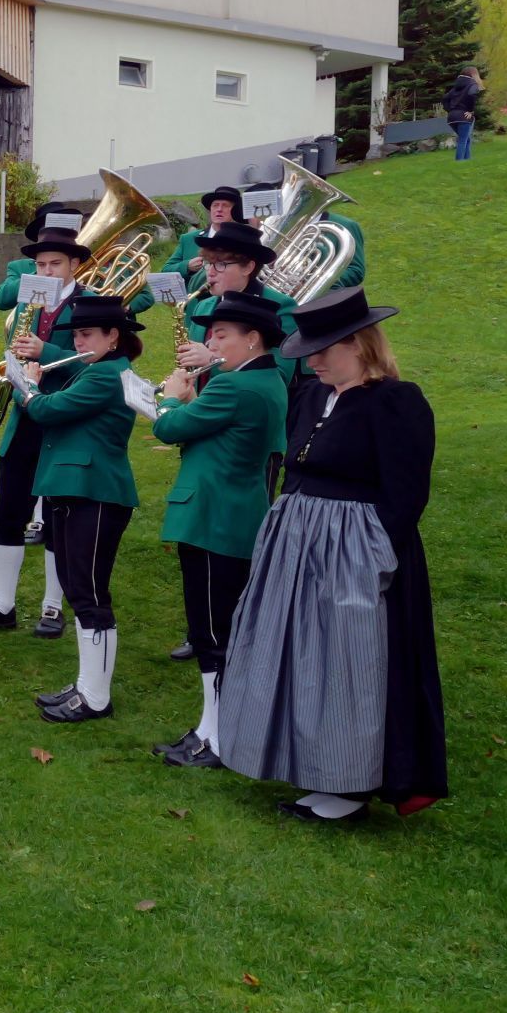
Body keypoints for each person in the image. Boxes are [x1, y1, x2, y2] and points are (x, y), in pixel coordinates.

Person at [220, 289, 445, 822]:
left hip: (356, 548)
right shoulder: (311, 396)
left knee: (349, 662)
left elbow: (406, 493)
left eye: (324, 350)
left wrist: (373, 557)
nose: (313, 360)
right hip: (296, 542)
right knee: (297, 655)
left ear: (360, 344)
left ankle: (350, 785)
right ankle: (310, 766)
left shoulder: (396, 401)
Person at [147, 293, 289, 769]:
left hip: (214, 518)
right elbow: (211, 430)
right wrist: (191, 403)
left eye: (221, 334)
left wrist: (168, 398)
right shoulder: (266, 381)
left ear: (252, 339)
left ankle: (220, 736)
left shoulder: (233, 387)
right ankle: (209, 728)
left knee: (212, 634)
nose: (211, 341)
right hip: (233, 514)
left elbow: (169, 430)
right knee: (217, 630)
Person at [0, 221, 91, 640]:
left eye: (56, 264)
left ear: (74, 265)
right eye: (40, 264)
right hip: (24, 421)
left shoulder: (90, 305)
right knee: (7, 514)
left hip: (64, 424)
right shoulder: (28, 304)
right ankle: (3, 605)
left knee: (56, 519)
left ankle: (53, 607)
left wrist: (46, 351)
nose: (47, 271)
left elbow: (98, 361)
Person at [15, 294, 143, 724]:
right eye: (78, 335)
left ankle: (96, 697)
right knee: (77, 590)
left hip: (96, 492)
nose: (80, 342)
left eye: (88, 334)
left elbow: (50, 411)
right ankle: (87, 686)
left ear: (113, 337)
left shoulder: (108, 374)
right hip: (74, 490)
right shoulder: (93, 370)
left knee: (89, 594)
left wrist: (27, 385)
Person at [175, 224, 299, 386]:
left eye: (220, 264)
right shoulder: (203, 306)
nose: (210, 272)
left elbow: (280, 376)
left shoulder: (280, 306)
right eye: (208, 263)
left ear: (248, 267)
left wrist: (213, 361)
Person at [444, 64, 482, 161]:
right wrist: (470, 111)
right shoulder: (473, 84)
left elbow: (445, 98)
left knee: (466, 139)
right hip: (464, 116)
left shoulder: (455, 87)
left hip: (452, 117)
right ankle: (459, 161)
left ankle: (467, 160)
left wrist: (450, 110)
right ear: (473, 74)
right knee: (462, 140)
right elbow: (472, 95)